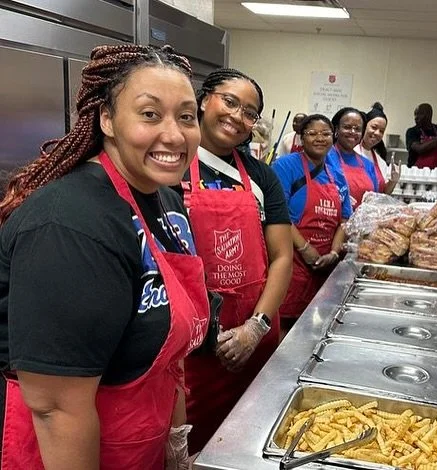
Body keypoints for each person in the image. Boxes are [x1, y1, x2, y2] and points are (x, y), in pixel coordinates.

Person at [0, 44, 209, 469]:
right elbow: (56, 410)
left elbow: (170, 357)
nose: (174, 134)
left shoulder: (165, 199)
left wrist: (175, 450)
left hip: (138, 440)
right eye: (150, 114)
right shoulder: (69, 224)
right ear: (107, 119)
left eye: (186, 117)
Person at [181, 68, 292, 454]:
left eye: (249, 112)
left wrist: (255, 328)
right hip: (192, 351)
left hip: (253, 341)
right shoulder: (169, 166)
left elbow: (281, 257)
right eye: (229, 102)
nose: (237, 117)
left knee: (251, 444)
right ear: (203, 100)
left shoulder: (262, 176)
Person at [272, 114, 352, 330]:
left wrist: (334, 253)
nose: (320, 138)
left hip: (324, 267)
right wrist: (305, 249)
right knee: (285, 327)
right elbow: (278, 214)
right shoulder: (285, 166)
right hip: (292, 262)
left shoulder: (336, 175)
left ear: (333, 137)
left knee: (316, 328)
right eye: (312, 133)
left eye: (325, 134)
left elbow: (345, 219)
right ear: (301, 137)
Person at [327, 107, 379, 210]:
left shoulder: (368, 166)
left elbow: (374, 202)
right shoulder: (324, 158)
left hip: (360, 223)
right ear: (336, 129)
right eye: (347, 127)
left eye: (358, 129)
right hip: (329, 221)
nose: (352, 132)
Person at [354, 102, 400, 195]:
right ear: (364, 126)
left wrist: (393, 181)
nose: (377, 133)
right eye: (374, 127)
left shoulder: (380, 162)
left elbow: (383, 193)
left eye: (381, 131)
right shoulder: (351, 151)